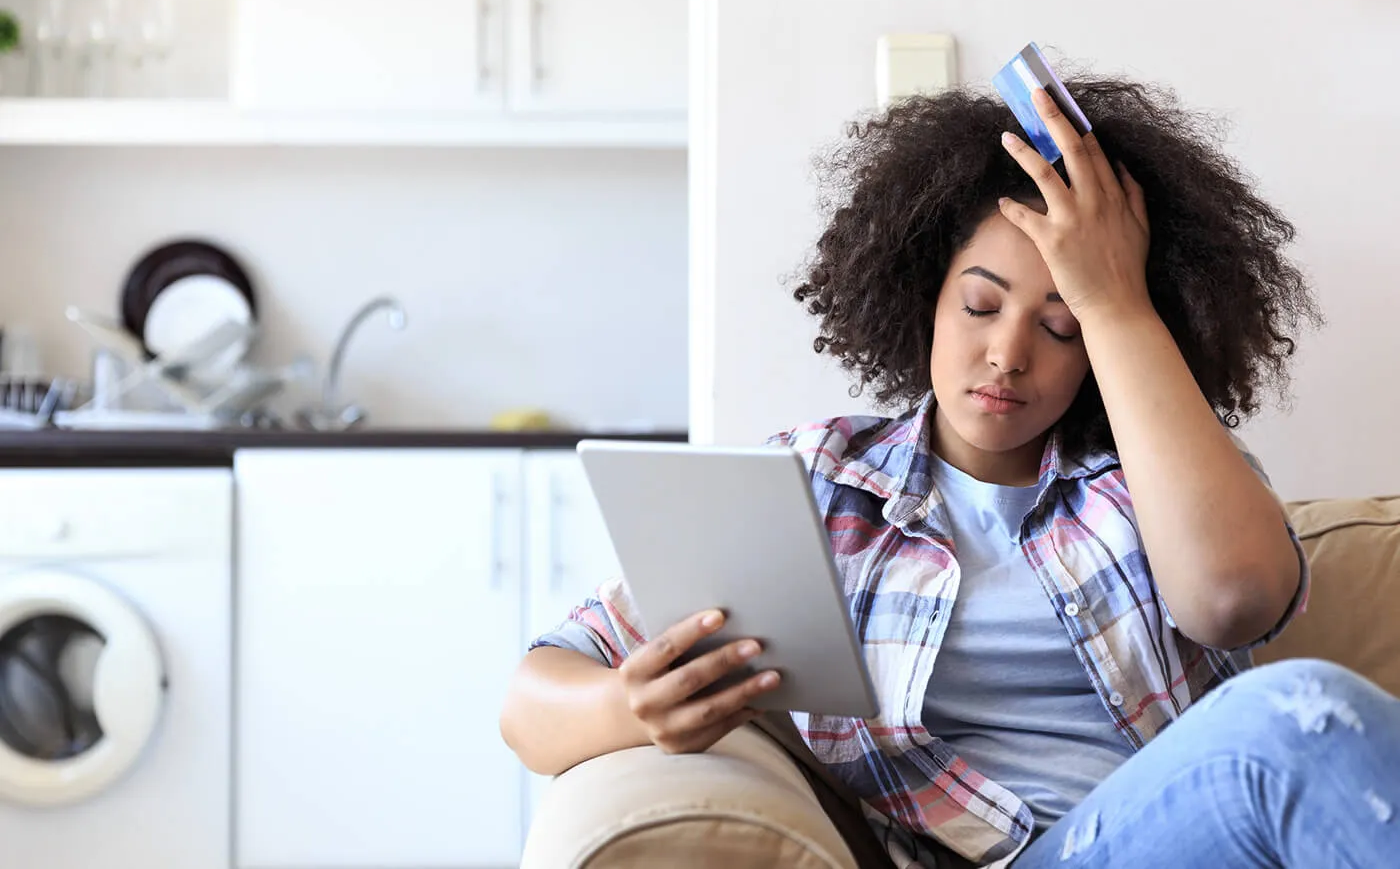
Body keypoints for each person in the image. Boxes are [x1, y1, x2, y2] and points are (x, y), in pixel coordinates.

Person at [500, 72, 1400, 867]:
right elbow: (533, 696)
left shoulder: (1147, 476)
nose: (1007, 354)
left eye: (1061, 326)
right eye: (979, 305)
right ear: (924, 294)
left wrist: (1114, 297)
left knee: (1296, 718)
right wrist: (632, 705)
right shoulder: (820, 485)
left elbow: (1234, 597)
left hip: (1193, 837)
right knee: (1300, 714)